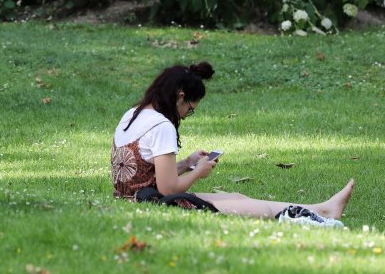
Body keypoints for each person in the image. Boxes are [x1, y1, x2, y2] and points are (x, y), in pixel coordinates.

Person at [111, 61, 354, 226]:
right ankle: (322, 211)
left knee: (237, 196)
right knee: (263, 211)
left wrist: (187, 163)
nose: (185, 115)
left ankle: (321, 209)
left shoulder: (134, 114)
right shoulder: (161, 126)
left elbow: (145, 172)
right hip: (159, 204)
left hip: (135, 199)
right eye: (189, 109)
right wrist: (199, 173)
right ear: (180, 96)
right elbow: (168, 189)